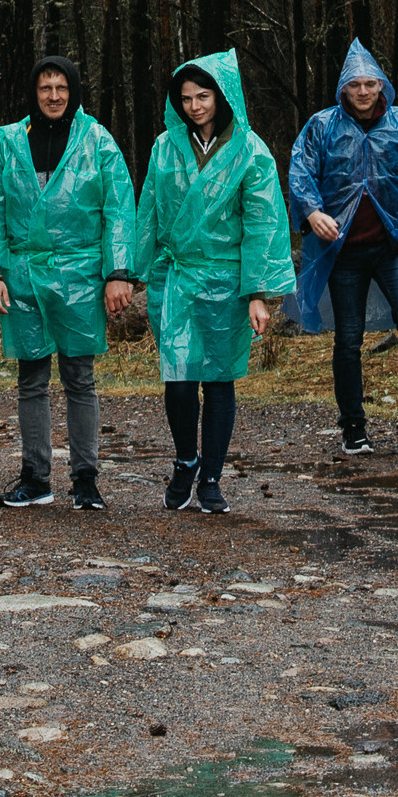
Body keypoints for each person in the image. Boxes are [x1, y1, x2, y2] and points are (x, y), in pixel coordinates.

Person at [0, 51, 136, 513]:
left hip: (80, 274)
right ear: (33, 93)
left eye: (61, 88)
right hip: (22, 274)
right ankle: (36, 476)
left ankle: (85, 479)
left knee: (79, 378)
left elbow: (119, 207)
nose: (54, 96)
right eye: (45, 88)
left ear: (73, 91)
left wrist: (118, 272)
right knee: (31, 378)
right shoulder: (10, 141)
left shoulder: (97, 139)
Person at [127, 48, 296, 515]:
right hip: (179, 277)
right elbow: (150, 213)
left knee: (219, 381)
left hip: (228, 279)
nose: (195, 106)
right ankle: (186, 460)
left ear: (221, 96)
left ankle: (213, 478)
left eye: (203, 96)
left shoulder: (251, 151)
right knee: (179, 379)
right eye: (186, 98)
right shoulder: (166, 146)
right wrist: (131, 272)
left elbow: (262, 224)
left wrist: (257, 294)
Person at [287, 38, 398, 456]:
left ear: (382, 86)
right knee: (348, 338)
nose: (364, 92)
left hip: (395, 244)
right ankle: (353, 426)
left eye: (371, 83)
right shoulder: (322, 127)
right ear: (343, 89)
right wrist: (313, 212)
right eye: (355, 85)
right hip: (344, 251)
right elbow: (301, 172)